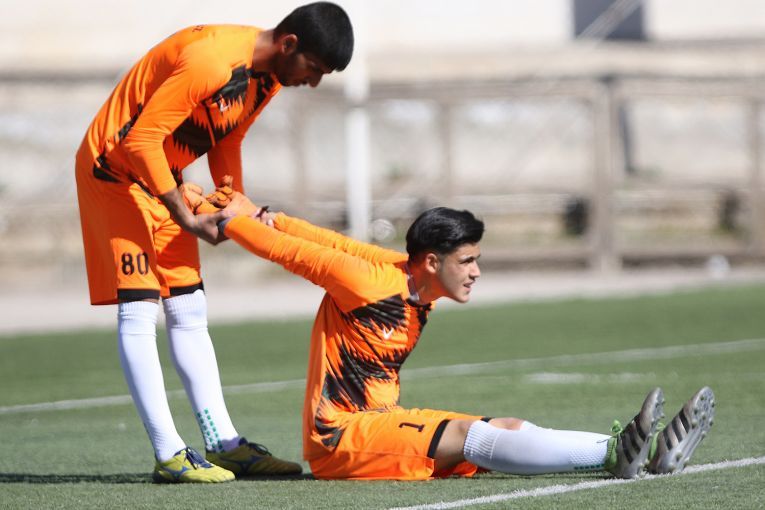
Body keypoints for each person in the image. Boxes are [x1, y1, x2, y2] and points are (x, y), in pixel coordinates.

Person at [181, 184, 716, 481]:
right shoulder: (367, 284)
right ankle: (613, 454)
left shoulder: (406, 274)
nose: (477, 271)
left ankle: (638, 449)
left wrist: (267, 213)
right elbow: (294, 254)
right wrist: (228, 220)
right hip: (339, 438)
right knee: (471, 436)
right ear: (433, 262)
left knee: (503, 426)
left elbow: (331, 241)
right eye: (468, 260)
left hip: (379, 423)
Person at [74, 2, 354, 483]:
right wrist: (186, 215)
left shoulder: (268, 78)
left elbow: (228, 139)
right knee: (140, 309)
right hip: (114, 175)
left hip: (163, 179)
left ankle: (224, 445)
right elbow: (140, 141)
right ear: (288, 44)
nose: (313, 82)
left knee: (189, 306)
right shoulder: (212, 61)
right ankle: (168, 453)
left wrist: (233, 203)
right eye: (313, 68)